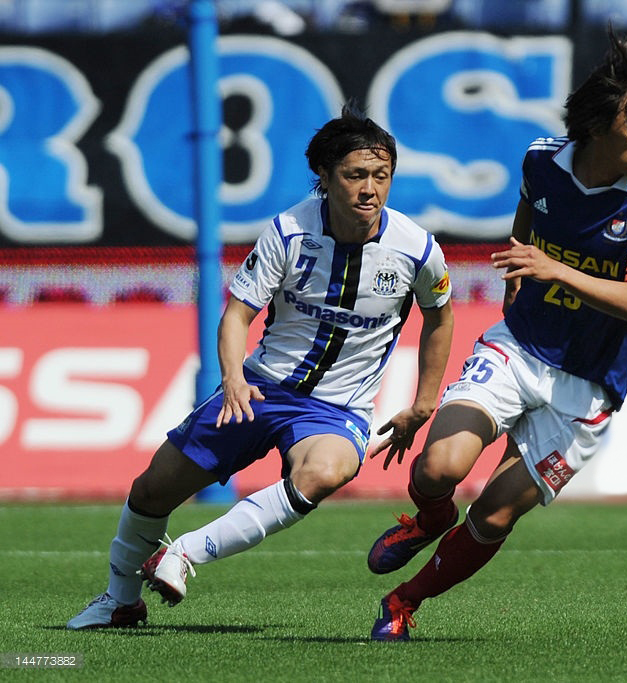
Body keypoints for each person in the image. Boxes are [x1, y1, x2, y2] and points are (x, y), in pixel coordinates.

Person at [67, 105, 454, 630]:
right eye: (355, 174)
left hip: (338, 408)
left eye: (381, 176)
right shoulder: (288, 232)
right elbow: (236, 316)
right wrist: (231, 379)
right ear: (324, 175)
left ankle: (183, 553)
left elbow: (440, 317)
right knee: (152, 490)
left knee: (327, 471)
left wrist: (424, 402)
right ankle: (120, 600)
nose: (370, 189)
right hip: (259, 386)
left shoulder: (416, 249)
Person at [364, 27, 627, 642]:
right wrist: (523, 264)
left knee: (495, 510)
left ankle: (403, 602)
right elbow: (528, 215)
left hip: (588, 388)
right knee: (439, 466)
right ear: (596, 127)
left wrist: (551, 267)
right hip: (519, 348)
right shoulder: (542, 159)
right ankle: (428, 517)